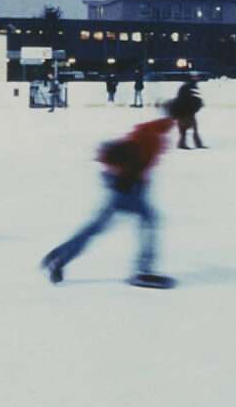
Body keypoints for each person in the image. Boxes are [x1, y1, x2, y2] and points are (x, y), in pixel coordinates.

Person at [40, 100, 189, 289]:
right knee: (149, 221)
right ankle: (143, 272)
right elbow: (133, 157)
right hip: (128, 188)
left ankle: (60, 256)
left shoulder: (153, 130)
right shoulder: (153, 133)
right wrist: (131, 181)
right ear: (182, 117)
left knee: (97, 227)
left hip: (125, 187)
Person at [175, 73, 205, 149]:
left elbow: (196, 99)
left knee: (192, 128)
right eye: (194, 77)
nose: (196, 78)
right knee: (185, 129)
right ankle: (183, 144)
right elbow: (188, 99)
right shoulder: (188, 87)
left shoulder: (188, 86)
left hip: (188, 111)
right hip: (186, 112)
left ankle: (196, 144)